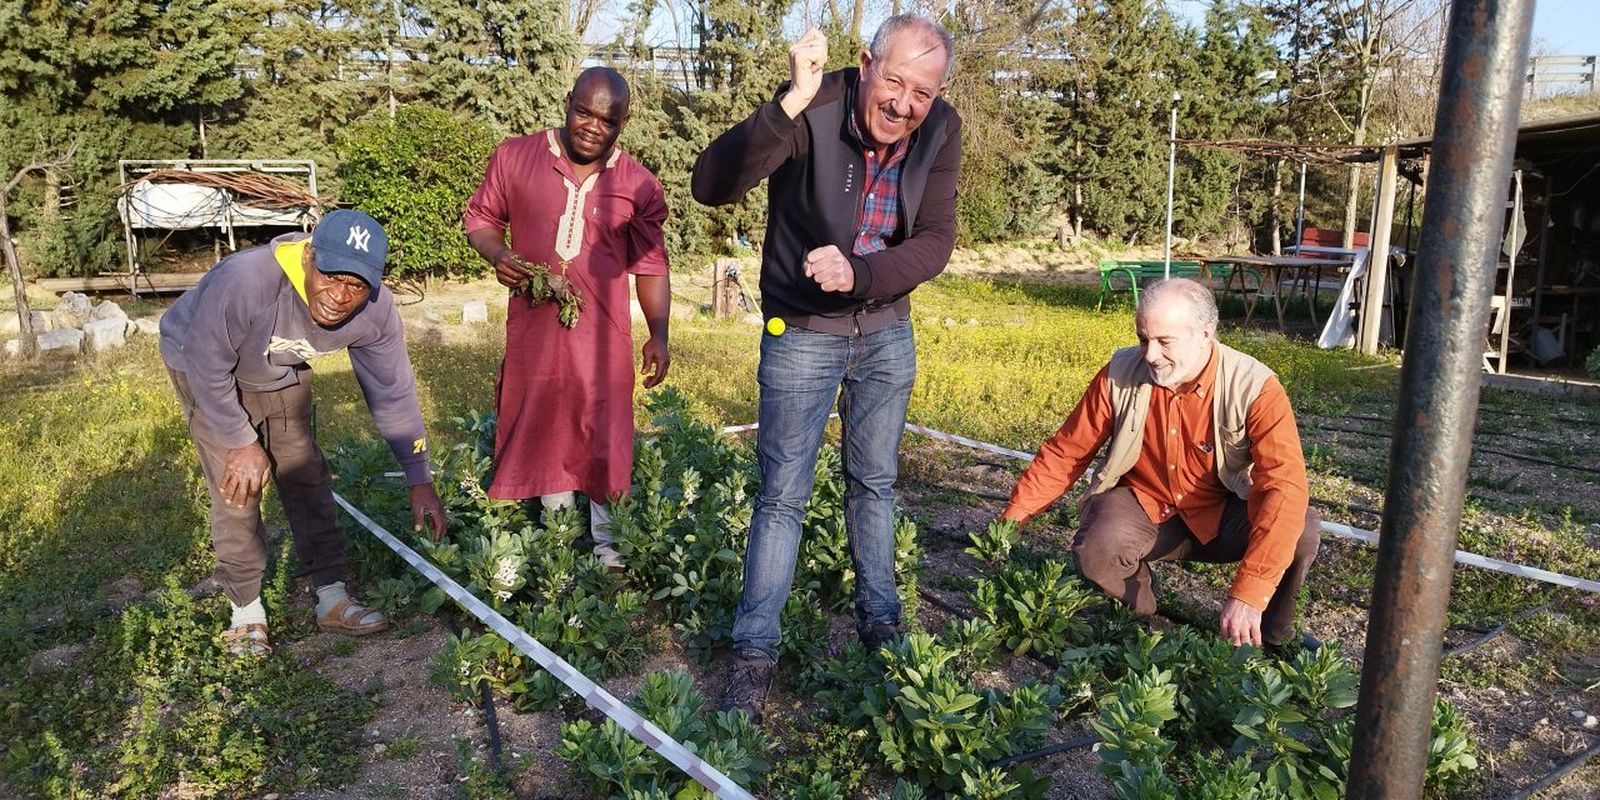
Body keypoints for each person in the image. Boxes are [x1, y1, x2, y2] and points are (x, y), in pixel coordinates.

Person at [691, 14, 962, 721]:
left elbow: (935, 241)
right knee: (781, 494)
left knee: (873, 483)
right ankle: (754, 653)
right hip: (802, 332)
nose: (905, 104)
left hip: (885, 334)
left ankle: (882, 625)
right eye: (895, 81)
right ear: (867, 63)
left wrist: (862, 273)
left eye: (923, 93)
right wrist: (787, 100)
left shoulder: (941, 128)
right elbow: (711, 185)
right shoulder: (811, 105)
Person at [160, 209, 448, 657]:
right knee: (239, 485)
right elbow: (206, 363)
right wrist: (241, 442)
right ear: (309, 258)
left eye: (356, 286)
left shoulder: (376, 311)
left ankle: (331, 594)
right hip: (200, 362)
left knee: (306, 473)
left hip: (278, 369)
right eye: (331, 276)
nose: (339, 296)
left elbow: (393, 393)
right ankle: (246, 610)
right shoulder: (248, 282)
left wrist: (418, 476)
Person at [1001, 279, 1321, 651]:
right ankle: (1140, 619)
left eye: (1165, 341)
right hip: (1148, 508)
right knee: (1097, 548)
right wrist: (1010, 523)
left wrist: (1250, 591)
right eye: (1143, 338)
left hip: (1224, 517)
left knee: (1299, 528)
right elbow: (1065, 452)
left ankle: (1273, 634)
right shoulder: (1119, 374)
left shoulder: (1256, 387)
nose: (1150, 355)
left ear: (1205, 333)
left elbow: (1284, 487)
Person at [463, 67, 671, 567]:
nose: (592, 126)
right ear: (567, 101)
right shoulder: (515, 157)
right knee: (546, 421)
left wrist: (659, 334)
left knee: (604, 429)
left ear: (624, 122)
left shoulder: (638, 185)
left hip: (604, 337)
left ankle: (608, 546)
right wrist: (498, 255)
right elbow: (481, 219)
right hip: (535, 328)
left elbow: (650, 264)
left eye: (608, 119)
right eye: (584, 112)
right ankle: (560, 537)